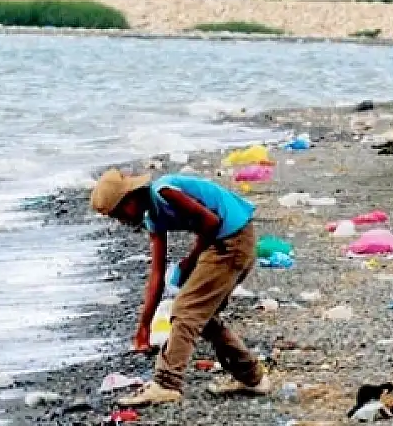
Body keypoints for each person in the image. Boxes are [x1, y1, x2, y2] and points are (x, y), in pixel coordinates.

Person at [89, 168, 270, 407]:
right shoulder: (153, 217)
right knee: (202, 317)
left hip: (232, 240)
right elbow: (156, 275)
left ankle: (166, 383)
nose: (121, 221)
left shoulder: (164, 192)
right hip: (224, 240)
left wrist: (190, 261)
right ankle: (253, 378)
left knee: (186, 311)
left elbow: (211, 222)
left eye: (119, 213)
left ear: (130, 198)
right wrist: (144, 327)